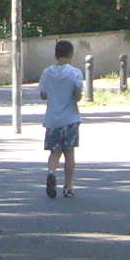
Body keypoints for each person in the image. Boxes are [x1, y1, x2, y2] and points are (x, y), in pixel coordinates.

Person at [38, 39, 87, 198]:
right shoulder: (75, 73)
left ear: (55, 55)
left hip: (52, 119)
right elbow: (78, 96)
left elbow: (43, 95)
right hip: (70, 118)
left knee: (54, 152)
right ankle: (68, 187)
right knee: (69, 154)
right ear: (71, 54)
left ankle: (51, 173)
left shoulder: (47, 72)